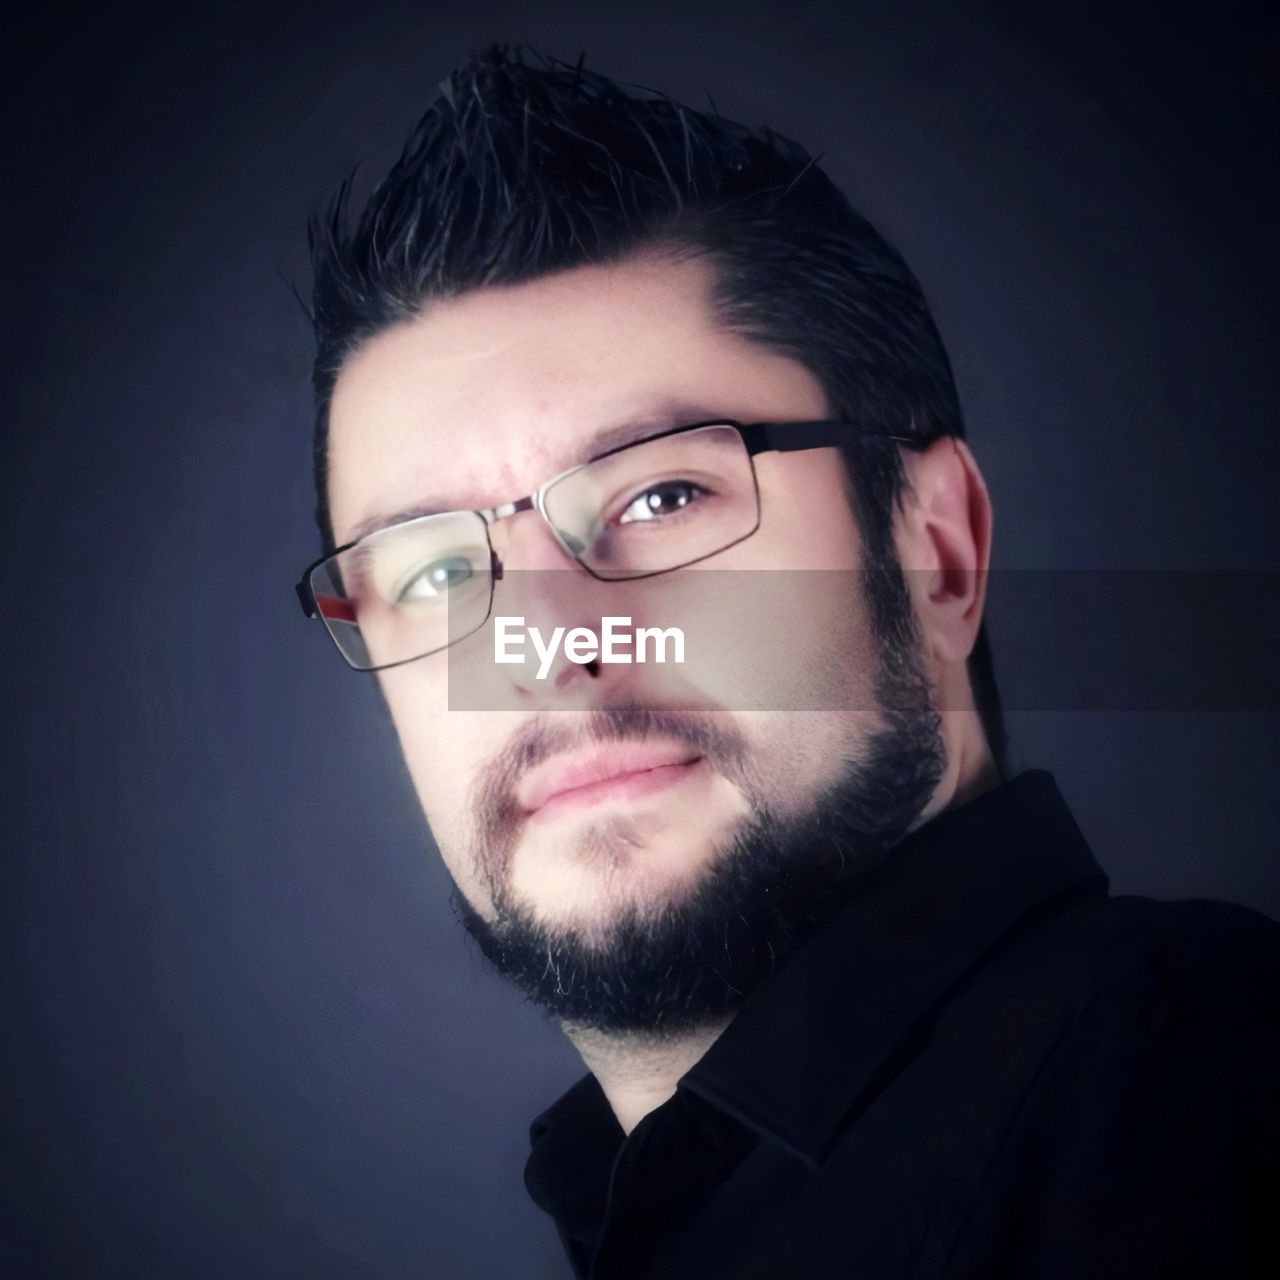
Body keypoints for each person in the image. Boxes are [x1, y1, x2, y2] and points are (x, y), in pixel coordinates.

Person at [293, 43, 1280, 1278]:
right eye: (436, 571)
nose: (541, 644)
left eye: (660, 494)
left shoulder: (1206, 1088)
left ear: (936, 551)